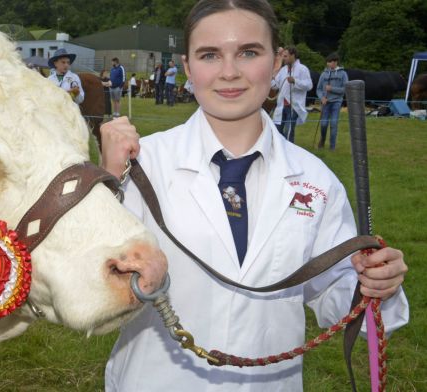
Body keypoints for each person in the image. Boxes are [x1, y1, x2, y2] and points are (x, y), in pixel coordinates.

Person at [99, 1, 409, 390]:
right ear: (188, 66)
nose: (230, 72)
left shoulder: (316, 180)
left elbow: (335, 294)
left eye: (249, 52)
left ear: (277, 61)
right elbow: (91, 290)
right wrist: (107, 182)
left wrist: (377, 285)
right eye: (210, 55)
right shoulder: (141, 164)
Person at [270, 46, 312, 142]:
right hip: (281, 106)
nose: (283, 59)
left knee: (288, 131)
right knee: (277, 131)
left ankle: (289, 151)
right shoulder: (283, 70)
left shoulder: (303, 69)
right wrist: (268, 79)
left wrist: (295, 81)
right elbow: (276, 85)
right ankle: (281, 150)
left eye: (286, 56)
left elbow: (309, 85)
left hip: (293, 106)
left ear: (293, 55)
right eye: (283, 56)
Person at [317, 52, 348, 150]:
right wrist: (322, 98)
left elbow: (346, 89)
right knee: (324, 124)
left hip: (337, 102)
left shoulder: (343, 74)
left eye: (330, 62)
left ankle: (332, 147)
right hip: (325, 103)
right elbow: (318, 89)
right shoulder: (323, 74)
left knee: (334, 124)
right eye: (327, 62)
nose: (328, 64)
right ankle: (322, 140)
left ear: (335, 62)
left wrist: (332, 89)